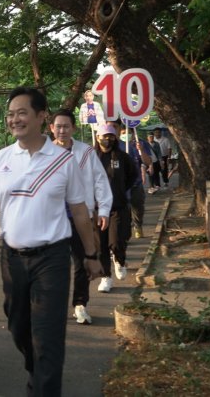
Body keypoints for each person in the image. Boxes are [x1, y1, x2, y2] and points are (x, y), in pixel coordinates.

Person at [0, 87, 103, 396]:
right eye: (10, 114)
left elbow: (80, 211)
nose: (14, 119)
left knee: (48, 337)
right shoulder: (1, 159)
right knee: (19, 328)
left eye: (21, 113)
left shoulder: (63, 160)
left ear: (41, 116)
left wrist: (91, 253)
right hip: (12, 259)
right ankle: (36, 368)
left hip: (52, 258)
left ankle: (44, 383)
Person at [49, 109, 112, 325]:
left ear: (73, 128)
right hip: (52, 218)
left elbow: (100, 181)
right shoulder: (44, 153)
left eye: (66, 126)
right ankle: (52, 306)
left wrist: (103, 210)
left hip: (81, 217)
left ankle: (80, 304)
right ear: (51, 129)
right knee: (53, 265)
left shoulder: (85, 152)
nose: (62, 130)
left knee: (82, 261)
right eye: (58, 126)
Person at [94, 124, 137, 293]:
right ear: (97, 138)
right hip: (96, 209)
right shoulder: (91, 157)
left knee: (117, 241)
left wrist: (119, 190)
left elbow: (133, 176)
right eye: (104, 136)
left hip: (117, 207)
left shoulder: (122, 157)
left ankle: (119, 260)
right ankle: (106, 278)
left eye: (111, 136)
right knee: (101, 245)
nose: (107, 139)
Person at [118, 125, 151, 239]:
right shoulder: (115, 144)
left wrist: (141, 150)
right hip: (121, 185)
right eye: (122, 132)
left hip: (136, 183)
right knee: (123, 210)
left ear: (132, 132)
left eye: (127, 132)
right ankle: (124, 232)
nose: (125, 135)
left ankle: (138, 226)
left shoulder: (140, 143)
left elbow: (147, 161)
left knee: (137, 206)